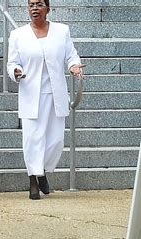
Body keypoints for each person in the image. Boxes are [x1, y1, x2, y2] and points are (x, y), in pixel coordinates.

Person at [7, 0, 85, 200]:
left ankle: (42, 170)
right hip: (31, 93)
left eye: (39, 4)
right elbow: (12, 62)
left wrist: (74, 66)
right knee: (33, 138)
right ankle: (33, 180)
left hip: (55, 93)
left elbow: (71, 56)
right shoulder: (18, 35)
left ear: (48, 8)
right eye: (31, 4)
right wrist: (16, 71)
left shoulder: (61, 31)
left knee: (55, 140)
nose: (35, 8)